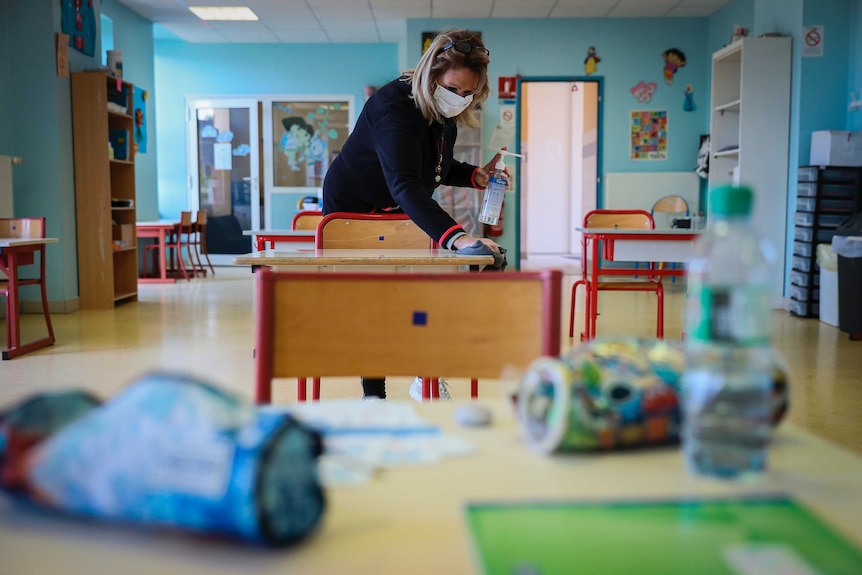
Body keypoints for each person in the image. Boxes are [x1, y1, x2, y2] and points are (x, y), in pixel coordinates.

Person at [322, 28, 504, 401]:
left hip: (398, 206)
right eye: (454, 89)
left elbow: (435, 167)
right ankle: (375, 398)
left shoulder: (441, 109)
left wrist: (474, 176)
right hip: (353, 210)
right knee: (373, 308)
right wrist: (460, 238)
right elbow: (406, 184)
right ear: (430, 75)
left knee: (425, 295)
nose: (460, 99)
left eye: (469, 94)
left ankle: (426, 371)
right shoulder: (393, 108)